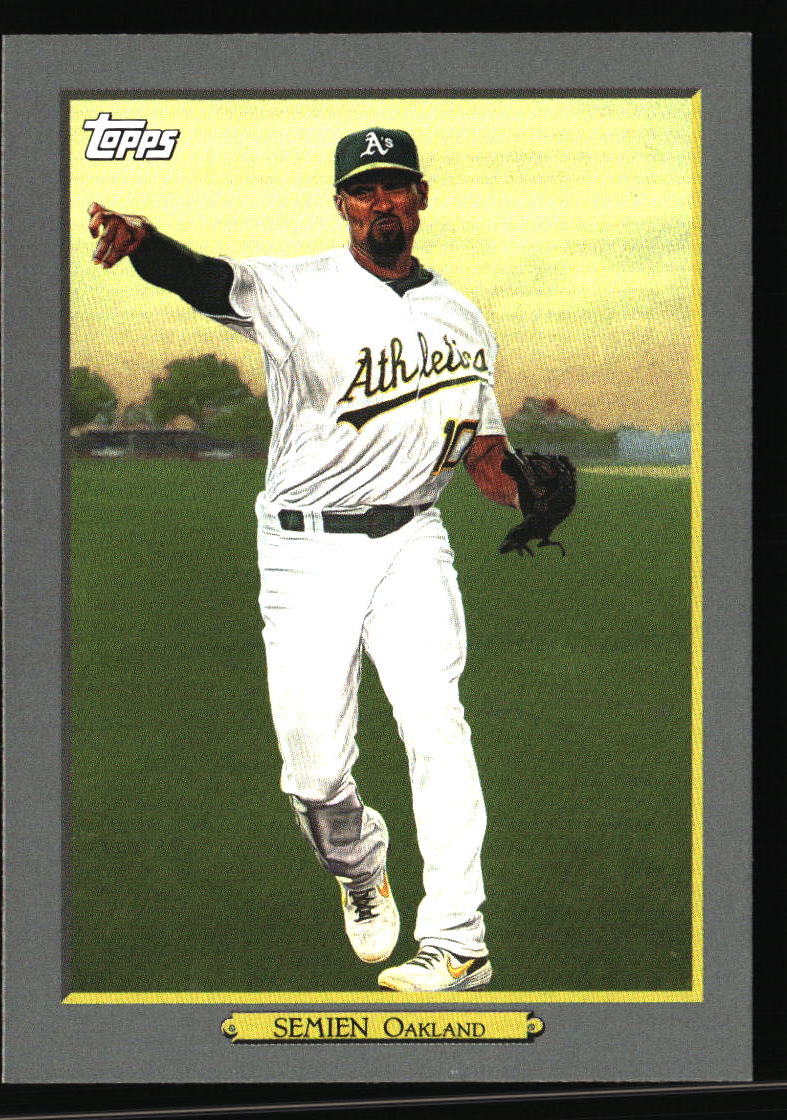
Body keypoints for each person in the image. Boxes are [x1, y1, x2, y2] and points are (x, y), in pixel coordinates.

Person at [88, 127, 524, 992]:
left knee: (437, 725)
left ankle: (458, 940)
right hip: (304, 550)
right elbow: (204, 277)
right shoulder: (297, 289)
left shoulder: (464, 319)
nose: (381, 201)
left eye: (395, 185)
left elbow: (484, 457)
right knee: (316, 771)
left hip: (413, 542)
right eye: (364, 189)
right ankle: (361, 867)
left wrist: (530, 492)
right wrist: (144, 243)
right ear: (342, 204)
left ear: (421, 196)